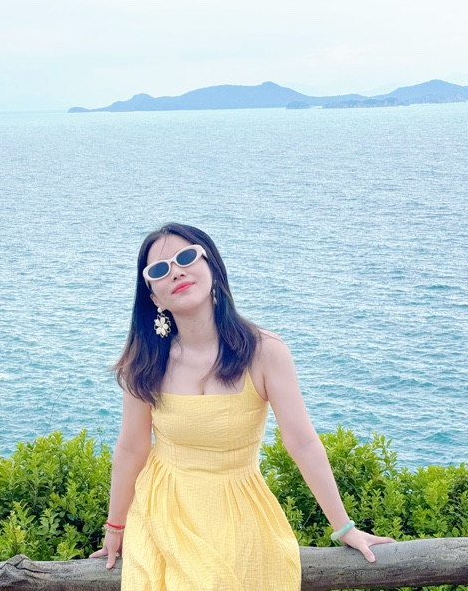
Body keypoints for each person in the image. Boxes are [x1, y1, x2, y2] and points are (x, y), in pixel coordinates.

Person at [90, 223, 393, 590]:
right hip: (162, 509)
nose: (176, 272)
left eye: (186, 257)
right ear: (154, 297)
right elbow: (131, 447)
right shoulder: (145, 361)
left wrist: (344, 527)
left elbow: (302, 442)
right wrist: (115, 528)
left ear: (213, 268)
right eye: (160, 269)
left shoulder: (264, 351)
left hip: (239, 507)